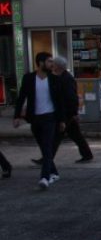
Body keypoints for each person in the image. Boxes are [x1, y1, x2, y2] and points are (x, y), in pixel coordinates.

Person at [14, 52, 66, 190]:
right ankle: (54, 172)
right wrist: (17, 116)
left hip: (50, 118)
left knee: (47, 147)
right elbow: (21, 98)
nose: (52, 64)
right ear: (41, 63)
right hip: (35, 119)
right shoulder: (29, 78)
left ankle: (44, 177)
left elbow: (60, 102)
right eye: (49, 61)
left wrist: (62, 120)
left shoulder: (54, 79)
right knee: (44, 148)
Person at [31, 57, 93, 165]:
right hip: (66, 112)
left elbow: (71, 97)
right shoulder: (60, 77)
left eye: (53, 64)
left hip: (67, 113)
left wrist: (74, 112)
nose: (52, 66)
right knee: (75, 135)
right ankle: (87, 155)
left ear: (58, 66)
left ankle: (46, 159)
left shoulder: (66, 79)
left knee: (56, 137)